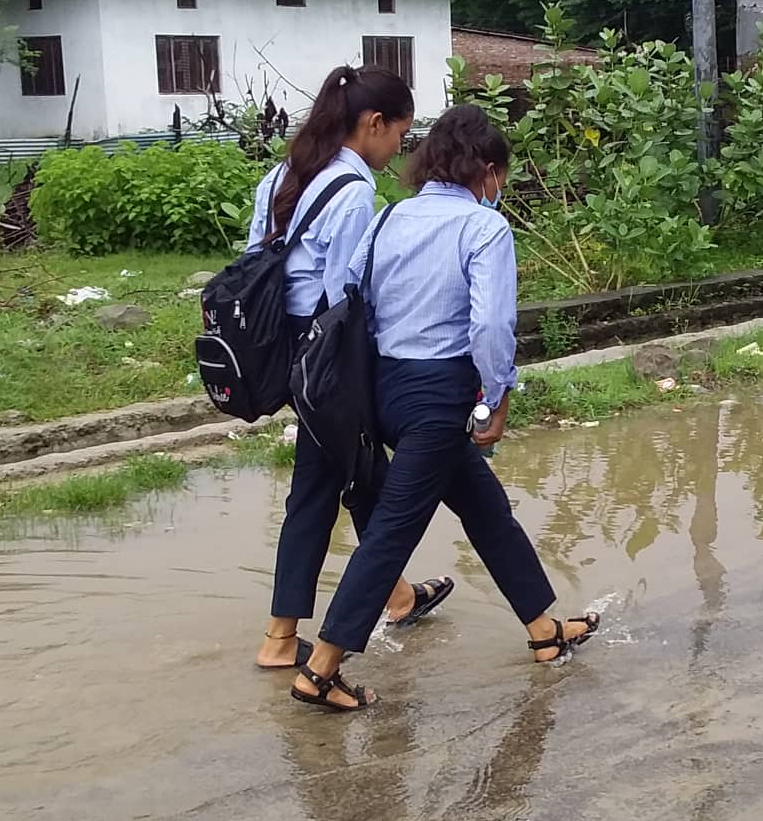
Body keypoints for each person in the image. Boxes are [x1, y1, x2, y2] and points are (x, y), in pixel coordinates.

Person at [290, 105, 602, 711]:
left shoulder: (390, 219)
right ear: (486, 171)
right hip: (439, 396)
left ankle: (543, 632)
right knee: (392, 532)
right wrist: (498, 395)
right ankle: (321, 670)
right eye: (501, 178)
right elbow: (489, 324)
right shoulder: (484, 229)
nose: (500, 190)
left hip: (383, 392)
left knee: (487, 509)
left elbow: (345, 295)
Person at [249, 65, 454, 673]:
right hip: (323, 355)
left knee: (359, 465)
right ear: (373, 124)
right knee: (317, 484)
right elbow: (347, 291)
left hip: (279, 347)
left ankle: (395, 595)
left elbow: (258, 255)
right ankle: (281, 639)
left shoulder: (282, 173)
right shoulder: (354, 188)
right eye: (399, 135)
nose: (400, 150)